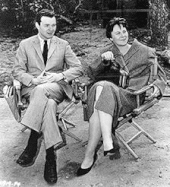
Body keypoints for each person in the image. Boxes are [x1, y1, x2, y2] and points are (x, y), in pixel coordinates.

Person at [77, 17, 167, 176]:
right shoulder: (106, 52)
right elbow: (90, 74)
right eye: (118, 33)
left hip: (130, 96)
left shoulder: (145, 51)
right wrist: (103, 61)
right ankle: (105, 143)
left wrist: (156, 89)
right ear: (110, 37)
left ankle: (93, 152)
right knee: (100, 87)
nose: (123, 35)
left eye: (124, 31)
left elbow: (160, 76)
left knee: (101, 90)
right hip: (107, 96)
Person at [13, 9, 83, 184]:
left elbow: (78, 68)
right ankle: (50, 158)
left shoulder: (63, 44)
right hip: (33, 88)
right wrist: (33, 79)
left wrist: (59, 76)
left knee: (43, 92)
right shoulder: (25, 44)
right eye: (46, 25)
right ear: (37, 25)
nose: (51, 29)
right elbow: (17, 71)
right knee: (49, 105)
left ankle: (32, 141)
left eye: (54, 25)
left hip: (56, 87)